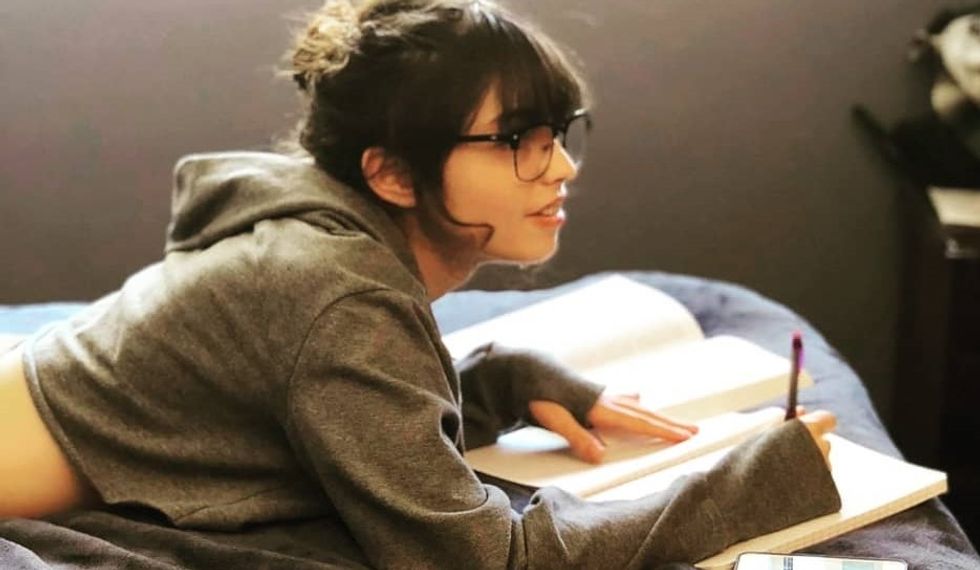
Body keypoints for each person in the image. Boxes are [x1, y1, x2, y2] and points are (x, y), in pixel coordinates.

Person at [0, 0, 841, 567]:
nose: (562, 167)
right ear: (392, 174)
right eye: (516, 141)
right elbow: (484, 559)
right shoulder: (339, 295)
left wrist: (498, 383)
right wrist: (752, 483)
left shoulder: (324, 244)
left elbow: (302, 401)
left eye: (558, 132)